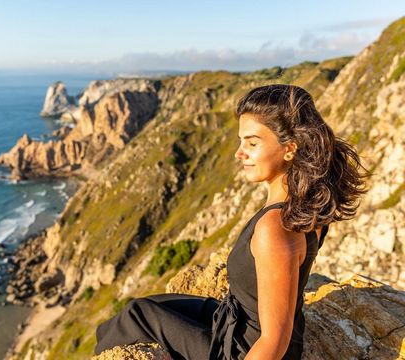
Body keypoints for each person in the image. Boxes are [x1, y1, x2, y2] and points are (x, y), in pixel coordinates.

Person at [94, 84, 371, 360]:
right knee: (148, 305)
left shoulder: (274, 228)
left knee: (137, 316)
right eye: (241, 141)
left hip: (241, 350)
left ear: (289, 149)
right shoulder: (306, 202)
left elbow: (274, 340)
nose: (240, 153)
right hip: (237, 319)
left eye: (252, 143)